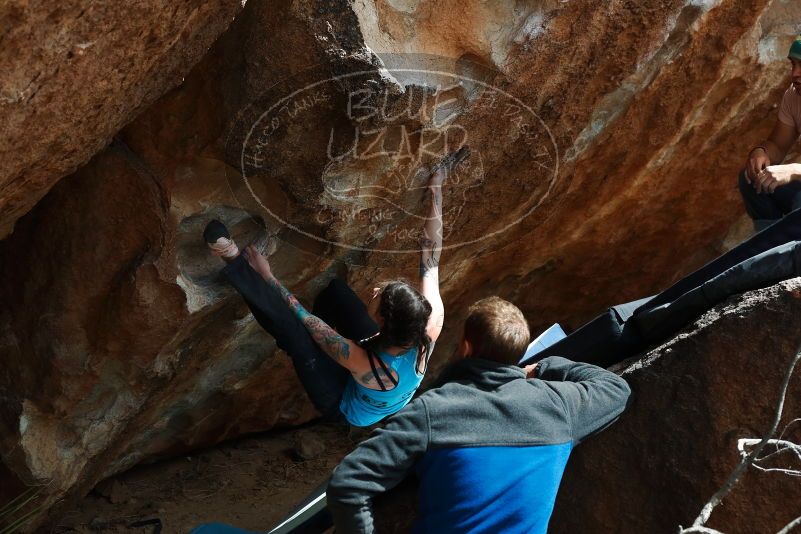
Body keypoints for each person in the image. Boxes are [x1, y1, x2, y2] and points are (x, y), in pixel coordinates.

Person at [203, 147, 470, 427]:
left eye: (381, 296)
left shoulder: (367, 365)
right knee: (337, 294)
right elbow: (431, 254)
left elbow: (307, 321)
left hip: (343, 405)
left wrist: (267, 275)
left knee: (297, 337)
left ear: (381, 321)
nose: (376, 290)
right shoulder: (430, 324)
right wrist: (436, 187)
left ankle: (233, 260)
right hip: (380, 368)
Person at [327, 296, 631, 533]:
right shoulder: (558, 407)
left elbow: (348, 484)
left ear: (466, 347)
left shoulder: (433, 411)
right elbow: (616, 389)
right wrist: (545, 366)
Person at [739, 35, 801, 230]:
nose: (795, 73)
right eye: (793, 65)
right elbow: (777, 145)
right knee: (752, 180)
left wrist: (793, 171)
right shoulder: (793, 96)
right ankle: (771, 250)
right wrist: (760, 152)